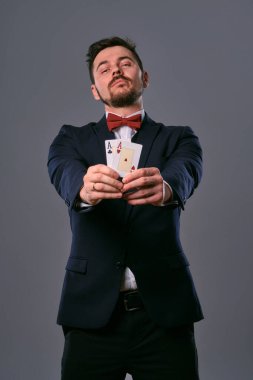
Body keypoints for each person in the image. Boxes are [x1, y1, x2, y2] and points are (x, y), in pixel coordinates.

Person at [48, 36, 203, 380]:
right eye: (104, 68)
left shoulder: (179, 138)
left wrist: (165, 188)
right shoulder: (70, 139)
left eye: (125, 63)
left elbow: (186, 172)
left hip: (164, 312)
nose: (115, 69)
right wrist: (84, 189)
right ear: (94, 90)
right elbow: (64, 174)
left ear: (144, 77)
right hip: (90, 314)